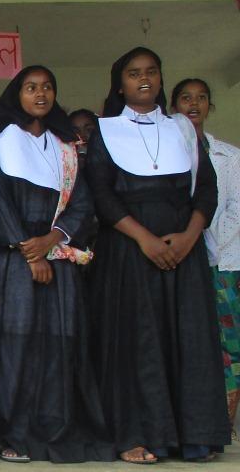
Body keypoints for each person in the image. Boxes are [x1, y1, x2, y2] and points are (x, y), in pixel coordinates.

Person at [86, 47, 230, 463]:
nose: (144, 79)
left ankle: (194, 436)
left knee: (188, 337)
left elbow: (207, 190)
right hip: (130, 251)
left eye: (151, 71)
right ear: (120, 84)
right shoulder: (104, 131)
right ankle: (139, 434)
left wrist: (188, 237)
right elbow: (101, 195)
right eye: (134, 73)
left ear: (161, 79)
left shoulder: (182, 129)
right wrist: (144, 239)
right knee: (138, 342)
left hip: (183, 251)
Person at [0, 66, 112, 463]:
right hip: (15, 260)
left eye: (47, 87)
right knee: (15, 344)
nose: (40, 94)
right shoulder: (1, 142)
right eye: (31, 87)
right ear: (16, 94)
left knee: (61, 342)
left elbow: (83, 204)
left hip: (59, 256)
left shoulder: (66, 146)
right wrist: (31, 252)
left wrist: (53, 240)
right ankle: (13, 434)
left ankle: (55, 429)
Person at [171, 78, 240, 437]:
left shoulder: (230, 156)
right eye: (186, 98)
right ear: (173, 107)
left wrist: (200, 239)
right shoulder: (166, 150)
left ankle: (223, 423)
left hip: (223, 262)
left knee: (228, 344)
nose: (193, 104)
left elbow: (236, 211)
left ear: (210, 107)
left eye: (201, 98)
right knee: (187, 339)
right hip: (177, 258)